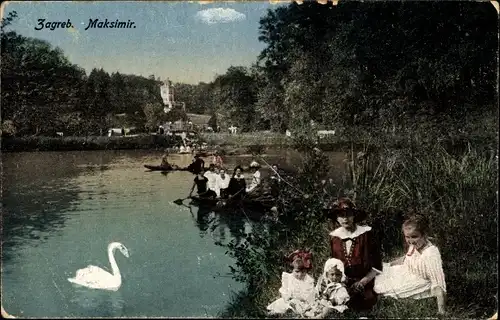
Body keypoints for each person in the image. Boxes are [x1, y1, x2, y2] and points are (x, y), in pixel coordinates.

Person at [374, 214, 446, 315]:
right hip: (405, 271)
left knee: (380, 288)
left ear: (424, 235)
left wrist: (441, 311)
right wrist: (388, 265)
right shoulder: (415, 245)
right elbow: (406, 258)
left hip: (418, 281)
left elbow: (438, 282)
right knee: (376, 272)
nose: (410, 241)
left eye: (414, 237)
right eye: (407, 237)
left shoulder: (431, 253)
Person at [328, 197, 382, 311]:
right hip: (344, 280)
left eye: (348, 214)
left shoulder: (366, 234)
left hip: (366, 278)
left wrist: (362, 282)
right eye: (341, 216)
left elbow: (377, 264)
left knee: (365, 299)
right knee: (334, 297)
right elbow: (335, 264)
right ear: (336, 218)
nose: (345, 219)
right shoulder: (334, 237)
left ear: (354, 216)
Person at [267, 250, 315, 317]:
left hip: (302, 303)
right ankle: (276, 313)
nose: (300, 275)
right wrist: (288, 298)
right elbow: (284, 291)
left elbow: (309, 296)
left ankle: (299, 313)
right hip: (289, 301)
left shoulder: (308, 280)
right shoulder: (288, 278)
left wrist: (299, 299)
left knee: (304, 309)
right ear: (292, 270)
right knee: (282, 305)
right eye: (297, 271)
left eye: (303, 272)